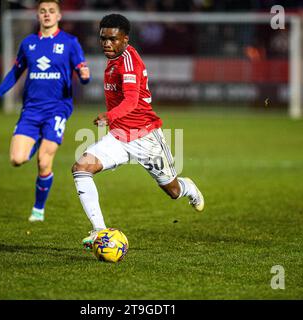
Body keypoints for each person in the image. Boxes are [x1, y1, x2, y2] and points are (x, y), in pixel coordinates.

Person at [71, 14, 204, 249]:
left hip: (145, 138)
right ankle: (100, 231)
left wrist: (108, 116)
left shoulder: (129, 61)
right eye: (103, 38)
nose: (106, 43)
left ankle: (188, 188)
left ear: (125, 39)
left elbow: (132, 101)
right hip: (119, 136)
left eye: (112, 39)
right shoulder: (113, 59)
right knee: (81, 168)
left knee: (172, 191)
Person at [0, 0, 90, 222]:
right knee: (17, 159)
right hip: (31, 110)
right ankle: (36, 141)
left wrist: (84, 75)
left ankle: (38, 210)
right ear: (38, 16)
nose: (47, 15)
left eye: (52, 11)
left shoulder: (70, 43)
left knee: (44, 162)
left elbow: (81, 69)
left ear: (59, 16)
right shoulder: (28, 43)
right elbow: (16, 71)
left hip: (57, 110)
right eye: (43, 11)